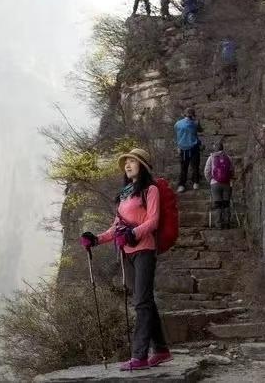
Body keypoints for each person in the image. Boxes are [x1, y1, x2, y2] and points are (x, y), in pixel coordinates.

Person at [79, 148, 172, 371]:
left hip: (144, 250)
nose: (128, 165)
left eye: (133, 161)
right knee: (144, 300)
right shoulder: (125, 194)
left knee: (141, 302)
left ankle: (139, 356)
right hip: (126, 253)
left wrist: (132, 234)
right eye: (126, 162)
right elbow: (116, 227)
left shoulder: (150, 190)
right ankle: (161, 350)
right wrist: (96, 239)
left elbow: (153, 221)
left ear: (143, 166)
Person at [204, 140, 234, 229]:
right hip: (226, 183)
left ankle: (219, 224)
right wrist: (229, 178)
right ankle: (227, 223)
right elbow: (232, 170)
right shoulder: (228, 157)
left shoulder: (211, 158)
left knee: (218, 204)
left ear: (215, 149)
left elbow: (207, 171)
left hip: (215, 184)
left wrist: (210, 180)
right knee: (226, 203)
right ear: (222, 148)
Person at [174, 108, 203, 192]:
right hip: (194, 147)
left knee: (184, 168)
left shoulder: (177, 123)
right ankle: (195, 183)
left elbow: (177, 135)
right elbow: (200, 130)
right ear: (193, 115)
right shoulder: (195, 123)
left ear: (184, 114)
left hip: (182, 148)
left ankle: (182, 185)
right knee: (195, 166)